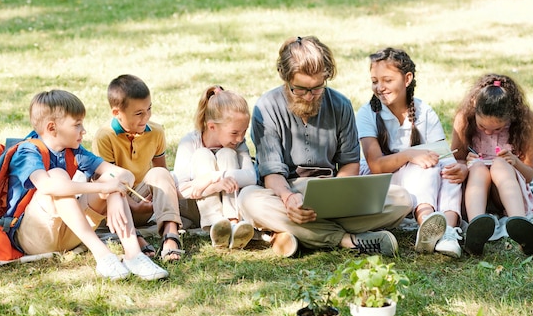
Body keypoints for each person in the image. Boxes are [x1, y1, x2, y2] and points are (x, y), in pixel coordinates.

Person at [237, 36, 412, 258]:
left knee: (402, 200)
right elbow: (272, 173)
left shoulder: (340, 104)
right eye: (300, 89)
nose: (310, 97)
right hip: (287, 191)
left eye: (317, 88)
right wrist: (288, 199)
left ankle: (290, 233)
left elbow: (349, 163)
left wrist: (337, 197)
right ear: (286, 78)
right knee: (249, 200)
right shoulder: (267, 106)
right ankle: (348, 240)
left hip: (331, 189)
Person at [12, 90, 169, 280]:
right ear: (52, 128)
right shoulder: (28, 151)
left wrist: (114, 194)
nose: (83, 131)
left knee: (109, 180)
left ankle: (134, 255)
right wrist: (103, 188)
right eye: (77, 125)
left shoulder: (74, 150)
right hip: (35, 237)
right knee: (58, 175)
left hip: (69, 235)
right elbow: (47, 187)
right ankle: (102, 255)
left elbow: (120, 173)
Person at [356, 47, 465, 258]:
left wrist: (459, 169)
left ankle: (448, 232)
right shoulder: (367, 113)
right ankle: (426, 221)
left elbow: (443, 155)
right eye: (375, 81)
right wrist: (410, 155)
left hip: (419, 176)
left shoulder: (424, 111)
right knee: (426, 165)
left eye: (387, 80)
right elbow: (376, 165)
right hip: (381, 179)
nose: (380, 87)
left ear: (407, 79)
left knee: (444, 168)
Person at [92, 75, 184, 262]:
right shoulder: (105, 136)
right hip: (116, 204)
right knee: (112, 187)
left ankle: (170, 234)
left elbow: (161, 172)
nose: (146, 117)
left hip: (145, 200)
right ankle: (134, 236)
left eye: (149, 109)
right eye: (138, 113)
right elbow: (106, 184)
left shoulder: (156, 132)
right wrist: (135, 206)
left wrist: (153, 202)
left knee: (160, 173)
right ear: (117, 112)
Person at [451, 74, 533, 256]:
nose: (487, 132)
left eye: (497, 129)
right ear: (475, 109)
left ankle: (521, 224)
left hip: (507, 192)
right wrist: (462, 166)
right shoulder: (464, 118)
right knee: (478, 168)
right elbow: (457, 158)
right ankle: (476, 227)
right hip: (476, 192)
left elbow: (529, 175)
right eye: (482, 126)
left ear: (511, 116)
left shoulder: (526, 120)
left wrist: (514, 161)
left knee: (500, 164)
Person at [173, 85, 257, 250]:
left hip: (231, 206)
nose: (240, 138)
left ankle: (233, 223)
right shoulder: (190, 142)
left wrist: (212, 177)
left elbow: (251, 176)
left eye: (244, 131)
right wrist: (216, 185)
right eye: (234, 133)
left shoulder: (237, 144)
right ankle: (216, 224)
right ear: (212, 126)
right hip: (197, 208)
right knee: (202, 155)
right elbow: (180, 190)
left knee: (227, 154)